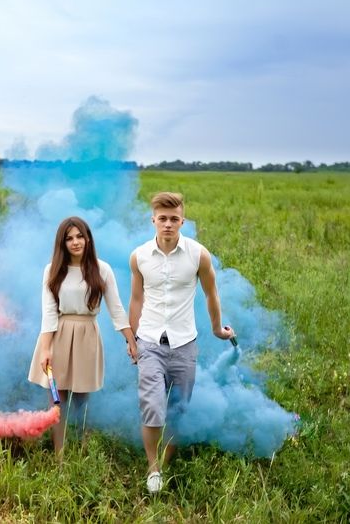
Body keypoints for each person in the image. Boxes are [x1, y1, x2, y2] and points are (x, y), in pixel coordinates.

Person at [128, 192, 235, 494]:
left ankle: (166, 459)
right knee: (152, 406)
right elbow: (136, 299)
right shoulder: (139, 257)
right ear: (153, 220)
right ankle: (153, 469)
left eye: (174, 219)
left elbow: (211, 294)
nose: (168, 224)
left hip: (184, 344)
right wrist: (131, 338)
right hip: (149, 341)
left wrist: (217, 328)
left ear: (182, 221)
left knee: (178, 409)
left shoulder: (198, 254)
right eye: (162, 219)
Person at [28, 216, 137, 455]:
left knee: (82, 400)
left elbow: (116, 308)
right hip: (57, 335)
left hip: (87, 335)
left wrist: (131, 340)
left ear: (88, 238)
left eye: (80, 236)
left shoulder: (102, 269)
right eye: (69, 238)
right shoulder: (53, 270)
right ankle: (59, 456)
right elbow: (48, 312)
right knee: (57, 401)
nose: (76, 242)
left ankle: (83, 453)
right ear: (62, 243)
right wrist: (45, 348)